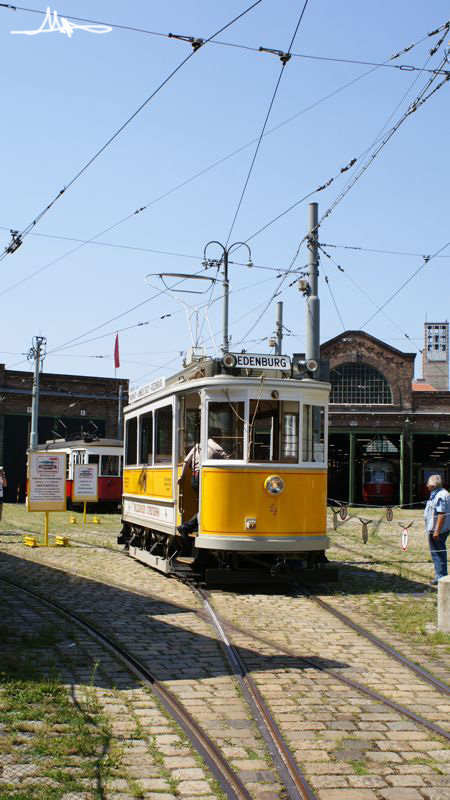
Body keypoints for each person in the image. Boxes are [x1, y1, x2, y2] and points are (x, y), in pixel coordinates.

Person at [177, 428, 228, 542]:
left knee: (203, 506)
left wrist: (182, 476)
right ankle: (186, 527)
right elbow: (228, 461)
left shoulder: (198, 446)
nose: (223, 439)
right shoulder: (217, 447)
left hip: (194, 478)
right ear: (217, 436)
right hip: (205, 479)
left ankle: (191, 527)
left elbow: (187, 461)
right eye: (221, 436)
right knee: (208, 507)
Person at [424, 474, 450, 586]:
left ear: (433, 485)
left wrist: (436, 531)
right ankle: (441, 576)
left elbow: (441, 515)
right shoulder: (441, 493)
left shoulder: (440, 495)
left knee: (437, 554)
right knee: (439, 553)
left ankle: (441, 577)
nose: (427, 485)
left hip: (438, 530)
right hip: (442, 528)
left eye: (428, 483)